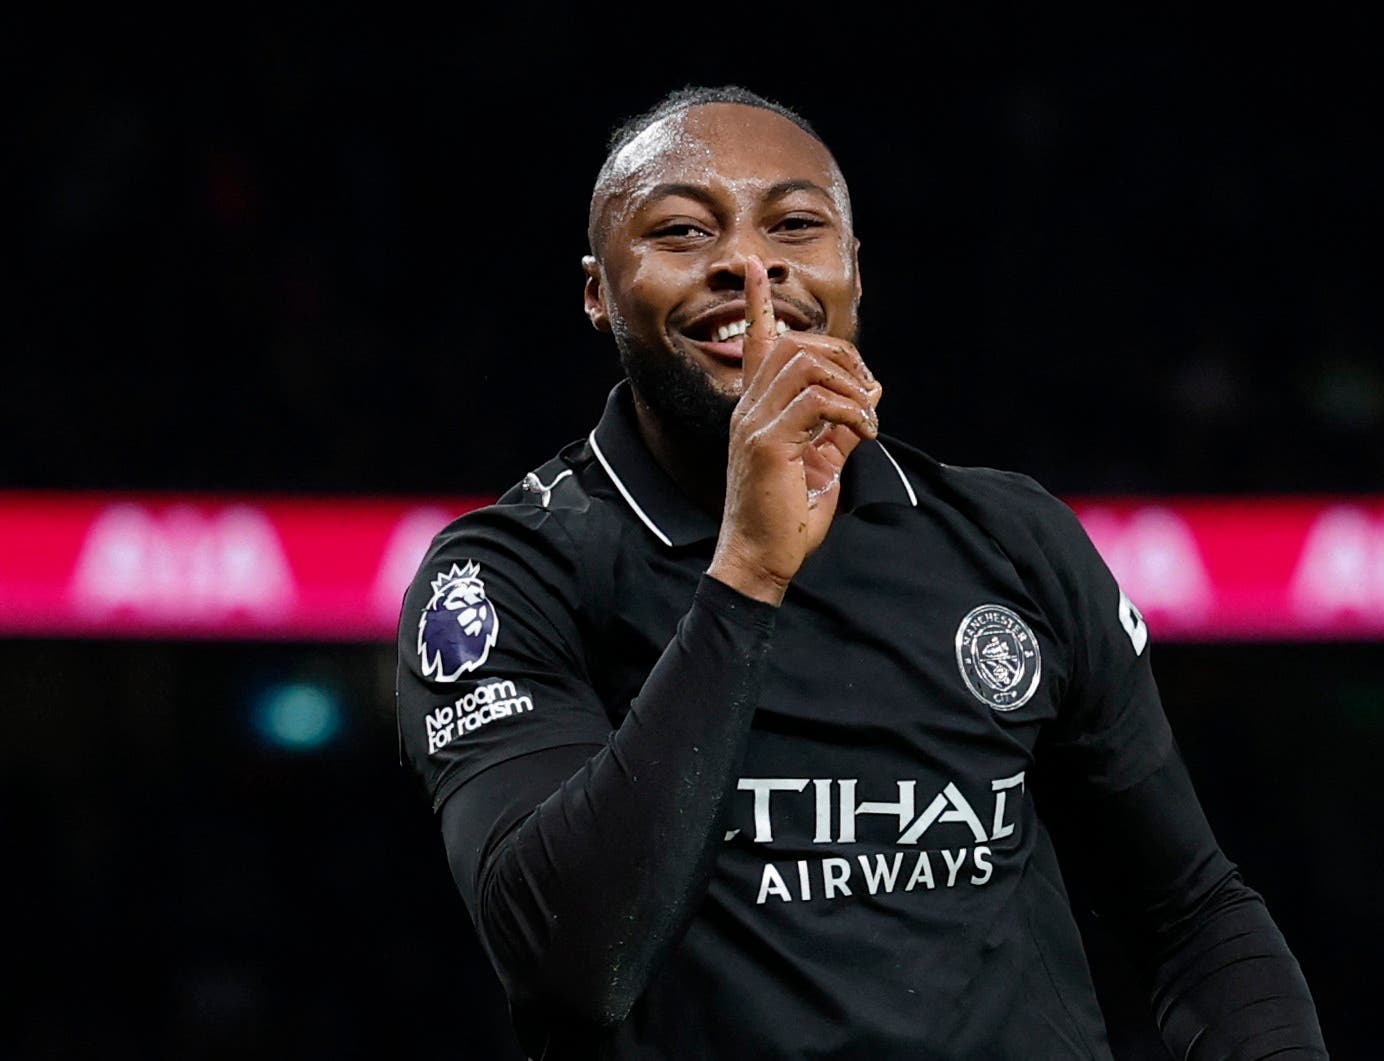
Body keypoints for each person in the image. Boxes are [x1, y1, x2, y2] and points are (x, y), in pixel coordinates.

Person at [395, 85, 1328, 1059]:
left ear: (851, 270)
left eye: (794, 225)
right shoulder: (507, 579)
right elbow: (571, 967)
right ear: (597, 292)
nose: (748, 264)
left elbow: (1191, 918)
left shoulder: (1013, 540)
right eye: (681, 231)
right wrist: (746, 573)